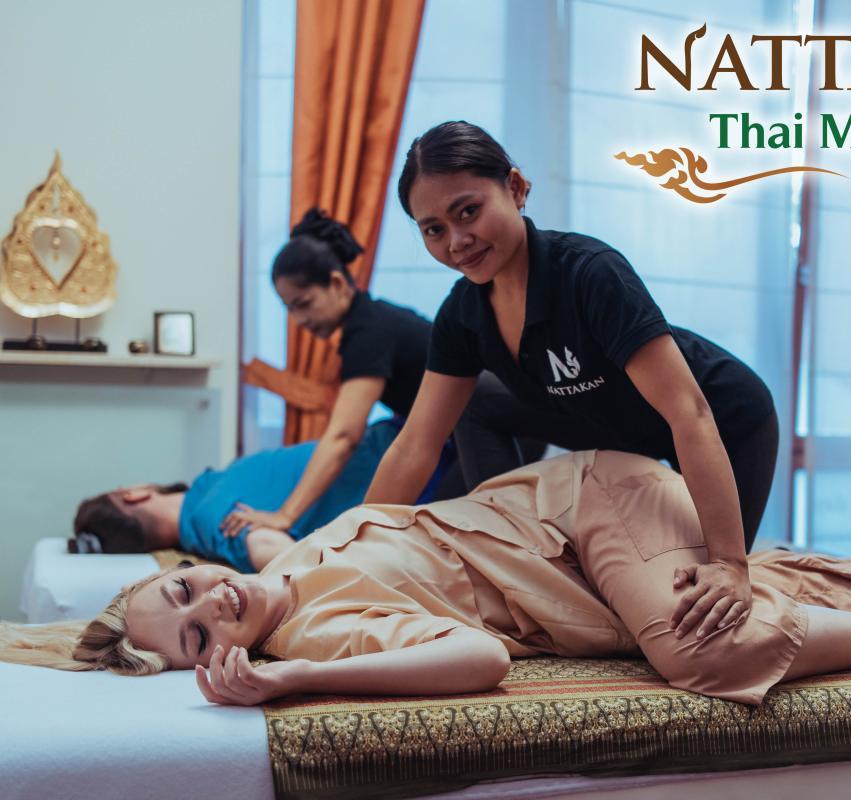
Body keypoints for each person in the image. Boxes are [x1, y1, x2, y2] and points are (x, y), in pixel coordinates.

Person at [9, 450, 851, 708]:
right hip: (605, 534)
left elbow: (262, 544)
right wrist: (273, 687)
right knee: (830, 582)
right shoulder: (314, 639)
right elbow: (479, 659)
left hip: (580, 500)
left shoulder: (282, 558)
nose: (209, 602)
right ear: (209, 661)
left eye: (185, 588)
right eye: (191, 630)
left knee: (708, 652)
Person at [364, 121, 781, 642]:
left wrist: (730, 563)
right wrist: (349, 547)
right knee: (479, 404)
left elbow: (688, 413)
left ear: (515, 189)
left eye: (468, 211)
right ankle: (512, 551)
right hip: (604, 422)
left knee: (701, 610)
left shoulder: (589, 272)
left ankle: (810, 587)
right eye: (434, 229)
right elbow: (415, 445)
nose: (457, 241)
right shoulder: (462, 314)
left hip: (721, 421)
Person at [222, 209, 466, 539]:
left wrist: (285, 516)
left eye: (304, 303)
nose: (299, 320)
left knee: (425, 536)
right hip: (458, 435)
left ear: (336, 283)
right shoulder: (373, 319)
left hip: (485, 431)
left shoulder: (369, 332)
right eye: (290, 309)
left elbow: (343, 436)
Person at [71, 419, 448, 571]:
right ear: (134, 495)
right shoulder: (211, 524)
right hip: (429, 468)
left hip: (418, 443)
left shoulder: (207, 492)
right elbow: (273, 549)